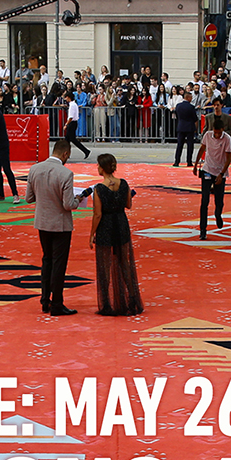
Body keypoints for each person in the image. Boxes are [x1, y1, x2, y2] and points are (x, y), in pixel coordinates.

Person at [26, 140, 85, 316]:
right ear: (65, 154)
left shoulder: (34, 169)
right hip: (60, 225)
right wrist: (78, 200)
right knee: (59, 264)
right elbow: (68, 205)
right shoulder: (65, 173)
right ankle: (57, 303)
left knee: (47, 260)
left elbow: (29, 198)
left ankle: (45, 300)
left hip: (42, 222)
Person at [87, 154, 143, 317]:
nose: (97, 168)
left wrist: (92, 234)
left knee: (104, 265)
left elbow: (97, 214)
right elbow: (128, 205)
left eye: (98, 165)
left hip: (105, 227)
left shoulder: (99, 189)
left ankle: (107, 303)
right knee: (125, 263)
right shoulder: (123, 183)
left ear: (102, 168)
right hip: (121, 224)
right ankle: (132, 299)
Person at [193, 119, 231, 240]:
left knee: (219, 200)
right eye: (215, 132)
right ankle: (203, 229)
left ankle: (218, 214)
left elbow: (228, 158)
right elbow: (202, 149)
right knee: (204, 200)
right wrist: (196, 164)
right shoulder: (207, 135)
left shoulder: (227, 139)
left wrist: (222, 173)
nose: (217, 135)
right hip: (207, 169)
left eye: (219, 133)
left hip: (220, 171)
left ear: (222, 130)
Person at [173, 90, 199, 167]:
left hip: (181, 126)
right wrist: (195, 128)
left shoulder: (178, 106)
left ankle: (177, 161)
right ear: (188, 98)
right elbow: (195, 118)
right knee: (190, 145)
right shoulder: (191, 107)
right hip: (189, 127)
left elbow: (177, 116)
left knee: (179, 145)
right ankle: (189, 161)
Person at [63, 91, 90, 159]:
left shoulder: (72, 105)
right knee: (67, 140)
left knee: (72, 139)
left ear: (68, 97)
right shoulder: (74, 104)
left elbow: (71, 117)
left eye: (66, 97)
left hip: (72, 123)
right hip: (73, 123)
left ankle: (85, 151)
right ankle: (67, 154)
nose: (65, 99)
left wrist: (66, 124)